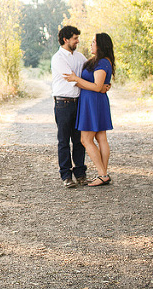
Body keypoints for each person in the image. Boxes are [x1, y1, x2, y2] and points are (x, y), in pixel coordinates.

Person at [65, 33, 115, 187]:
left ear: (101, 45)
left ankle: (102, 174)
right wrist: (80, 82)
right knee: (100, 138)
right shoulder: (98, 61)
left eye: (94, 42)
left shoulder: (102, 63)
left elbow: (97, 86)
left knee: (86, 140)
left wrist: (76, 79)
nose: (91, 44)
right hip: (94, 101)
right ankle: (103, 174)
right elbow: (99, 86)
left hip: (92, 103)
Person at [51, 26, 88, 188]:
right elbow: (72, 79)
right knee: (64, 141)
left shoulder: (80, 57)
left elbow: (90, 72)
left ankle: (80, 174)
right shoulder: (58, 58)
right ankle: (66, 176)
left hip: (79, 103)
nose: (78, 41)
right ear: (66, 40)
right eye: (75, 38)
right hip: (63, 104)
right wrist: (91, 84)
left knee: (80, 141)